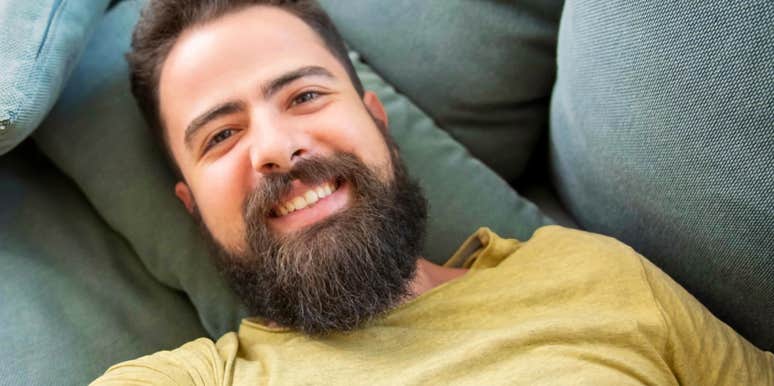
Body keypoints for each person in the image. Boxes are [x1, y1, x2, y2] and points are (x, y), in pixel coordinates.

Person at [92, 0, 774, 384]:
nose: (275, 146)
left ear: (378, 126)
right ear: (194, 210)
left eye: (303, 95)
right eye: (220, 136)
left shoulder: (591, 273)